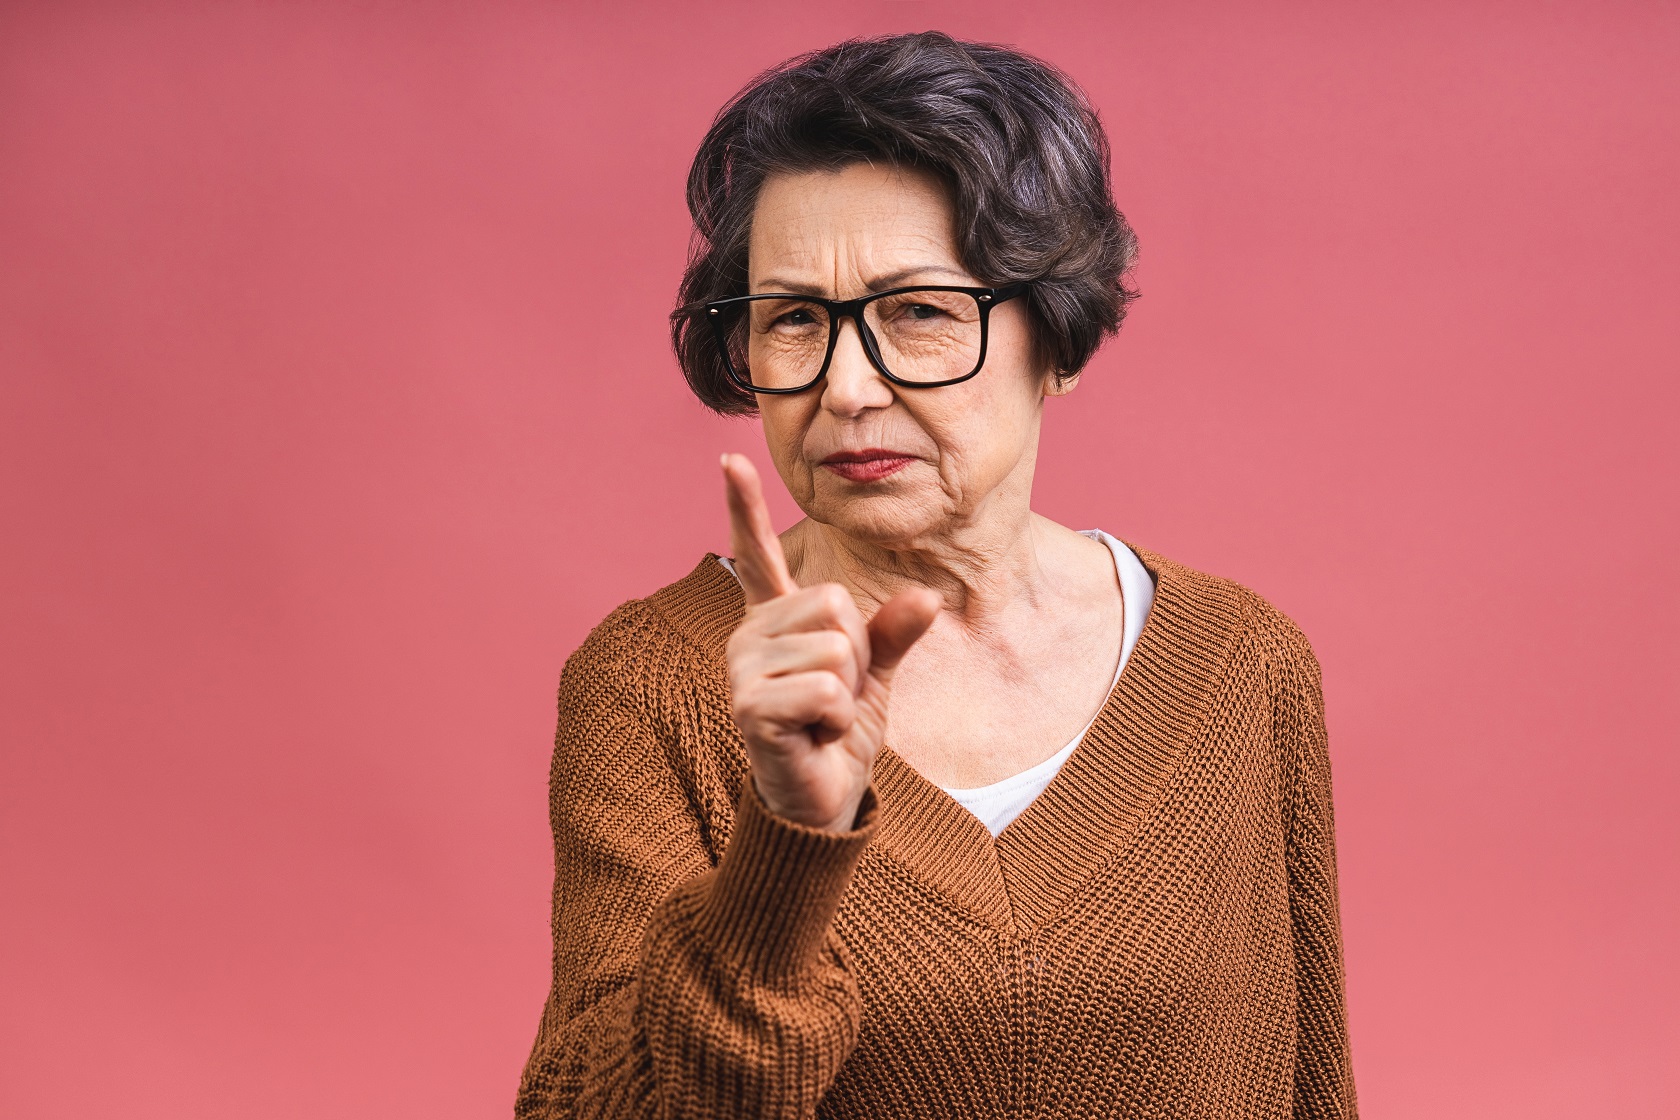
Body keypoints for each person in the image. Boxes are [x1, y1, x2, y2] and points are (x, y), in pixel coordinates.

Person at [516, 31, 1356, 1120]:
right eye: (793, 320)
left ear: (1055, 336)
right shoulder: (653, 683)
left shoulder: (1243, 662)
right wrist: (787, 845)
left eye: (918, 312)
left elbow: (1311, 1086)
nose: (849, 386)